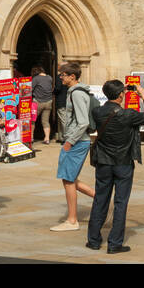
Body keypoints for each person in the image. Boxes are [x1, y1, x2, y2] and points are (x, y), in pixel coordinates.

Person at [86, 78, 144, 254]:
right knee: (120, 202)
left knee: (100, 199)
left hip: (103, 161)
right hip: (123, 162)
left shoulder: (97, 112)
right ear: (120, 95)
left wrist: (117, 91)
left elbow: (95, 123)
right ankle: (115, 243)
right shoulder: (128, 115)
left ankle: (94, 240)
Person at [50, 62, 96, 232]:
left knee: (68, 180)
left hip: (77, 141)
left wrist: (70, 141)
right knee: (68, 178)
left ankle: (72, 220)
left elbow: (82, 122)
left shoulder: (76, 93)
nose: (60, 77)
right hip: (77, 140)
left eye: (62, 75)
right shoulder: (77, 92)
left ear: (72, 76)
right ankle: (102, 201)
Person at [31, 65, 54, 144]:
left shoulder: (36, 78)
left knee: (32, 120)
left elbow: (30, 89)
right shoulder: (49, 78)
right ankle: (47, 138)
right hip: (48, 102)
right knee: (45, 121)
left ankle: (31, 137)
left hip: (37, 102)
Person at [54, 70, 69, 142]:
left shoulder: (60, 77)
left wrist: (53, 91)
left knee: (63, 120)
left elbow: (58, 88)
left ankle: (66, 137)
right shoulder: (69, 77)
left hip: (61, 101)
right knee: (61, 120)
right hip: (67, 101)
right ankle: (61, 137)